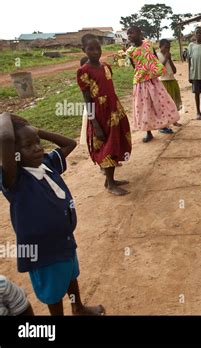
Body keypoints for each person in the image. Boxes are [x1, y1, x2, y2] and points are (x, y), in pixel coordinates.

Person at [0, 113, 105, 315]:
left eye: (38, 143)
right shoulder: (14, 180)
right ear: (13, 154)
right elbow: (5, 138)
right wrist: (5, 115)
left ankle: (78, 307)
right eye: (28, 146)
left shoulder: (46, 163)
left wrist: (36, 131)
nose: (38, 148)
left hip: (64, 240)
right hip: (42, 252)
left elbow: (69, 144)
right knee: (53, 292)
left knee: (70, 276)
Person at [77, 34, 132, 196]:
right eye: (91, 49)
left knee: (116, 143)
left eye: (98, 48)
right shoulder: (83, 71)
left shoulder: (106, 66)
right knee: (106, 146)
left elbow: (110, 90)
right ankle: (110, 184)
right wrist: (94, 124)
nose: (95, 52)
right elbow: (87, 100)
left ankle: (111, 180)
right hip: (100, 116)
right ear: (84, 50)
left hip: (115, 111)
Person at [126, 26, 179, 142]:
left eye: (131, 32)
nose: (129, 35)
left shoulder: (148, 44)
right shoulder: (130, 51)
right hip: (141, 82)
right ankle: (148, 132)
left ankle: (164, 124)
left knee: (160, 102)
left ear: (139, 33)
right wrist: (143, 72)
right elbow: (134, 66)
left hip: (153, 80)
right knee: (144, 107)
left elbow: (154, 59)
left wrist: (153, 71)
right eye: (128, 33)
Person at [157, 38, 183, 127]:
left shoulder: (169, 56)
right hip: (164, 82)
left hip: (172, 80)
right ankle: (166, 122)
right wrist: (165, 59)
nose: (168, 49)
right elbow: (159, 70)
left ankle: (174, 121)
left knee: (174, 102)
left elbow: (174, 70)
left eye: (169, 48)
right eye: (166, 47)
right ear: (160, 47)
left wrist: (170, 60)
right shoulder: (157, 56)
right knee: (166, 103)